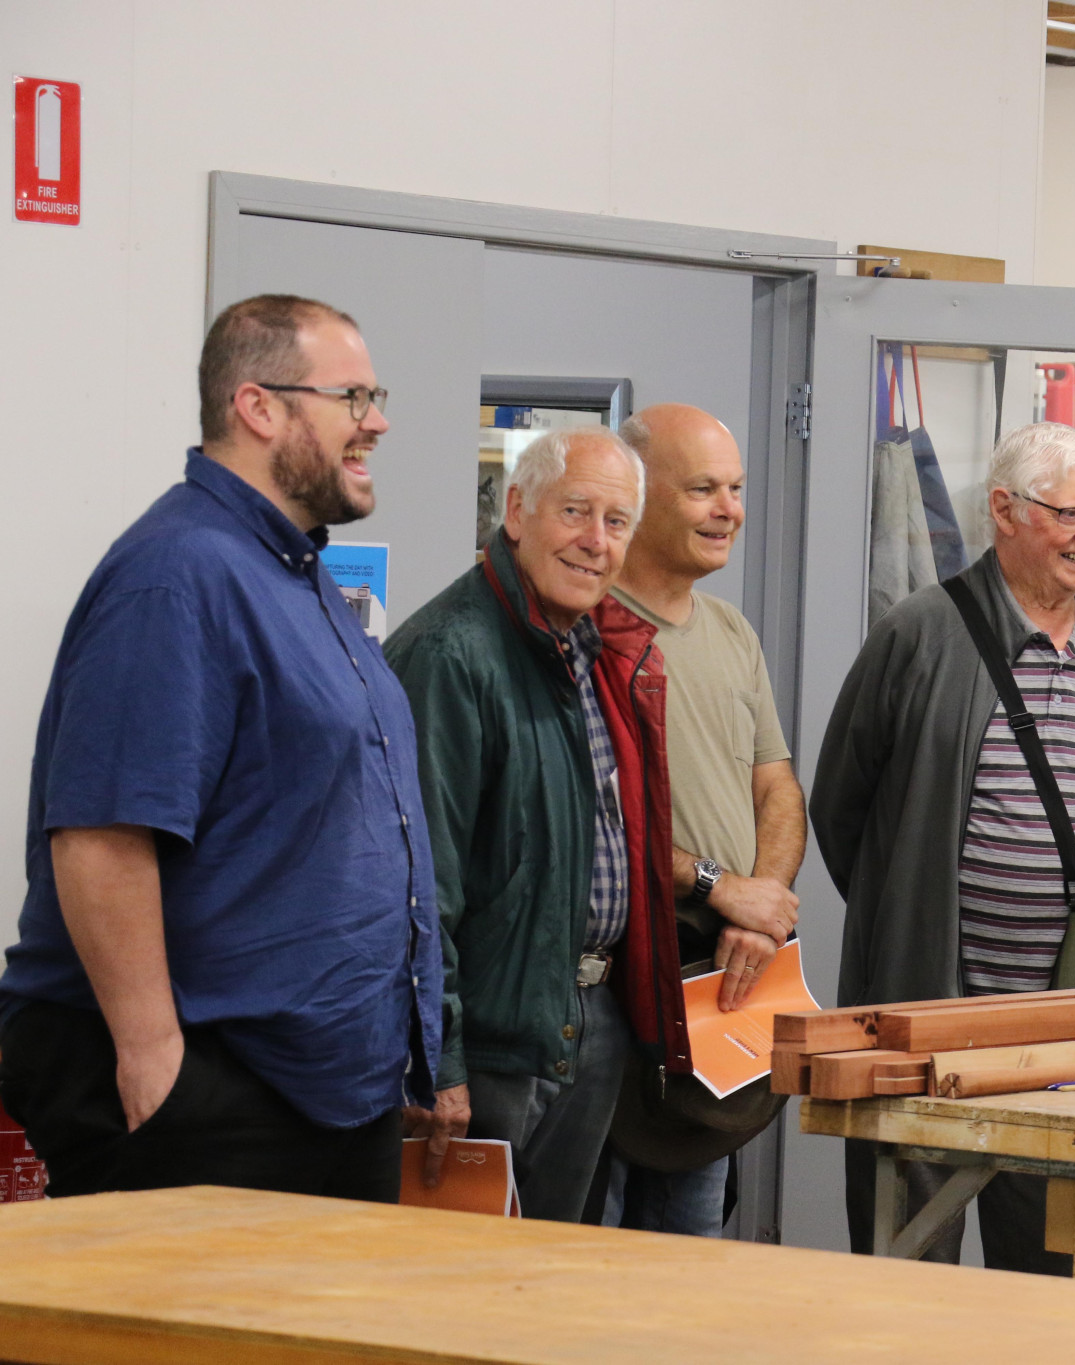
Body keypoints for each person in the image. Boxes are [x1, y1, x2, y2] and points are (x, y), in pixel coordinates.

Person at [0, 294, 437, 1200]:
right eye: (353, 397)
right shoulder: (176, 573)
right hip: (215, 1089)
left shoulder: (292, 570)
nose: (378, 421)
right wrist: (154, 1059)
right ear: (259, 407)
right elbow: (101, 834)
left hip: (317, 1089)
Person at [812, 422, 1075, 1273]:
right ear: (1004, 509)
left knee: (1046, 1264)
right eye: (1071, 514)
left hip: (1062, 1026)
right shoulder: (921, 633)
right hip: (934, 1013)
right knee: (911, 1260)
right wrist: (907, 911)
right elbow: (841, 807)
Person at [385, 425, 688, 1223]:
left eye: (616, 521)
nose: (596, 542)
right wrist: (434, 1056)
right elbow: (420, 883)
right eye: (575, 511)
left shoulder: (592, 650)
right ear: (516, 510)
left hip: (586, 1021)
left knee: (549, 1292)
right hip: (490, 1045)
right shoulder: (451, 654)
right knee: (464, 1304)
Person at [605, 404, 805, 1237]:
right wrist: (724, 888)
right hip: (618, 991)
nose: (729, 509)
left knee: (693, 1249)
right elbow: (601, 819)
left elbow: (780, 791)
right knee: (593, 1246)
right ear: (640, 496)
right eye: (703, 490)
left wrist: (760, 910)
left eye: (736, 488)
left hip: (724, 982)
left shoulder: (732, 630)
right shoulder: (592, 630)